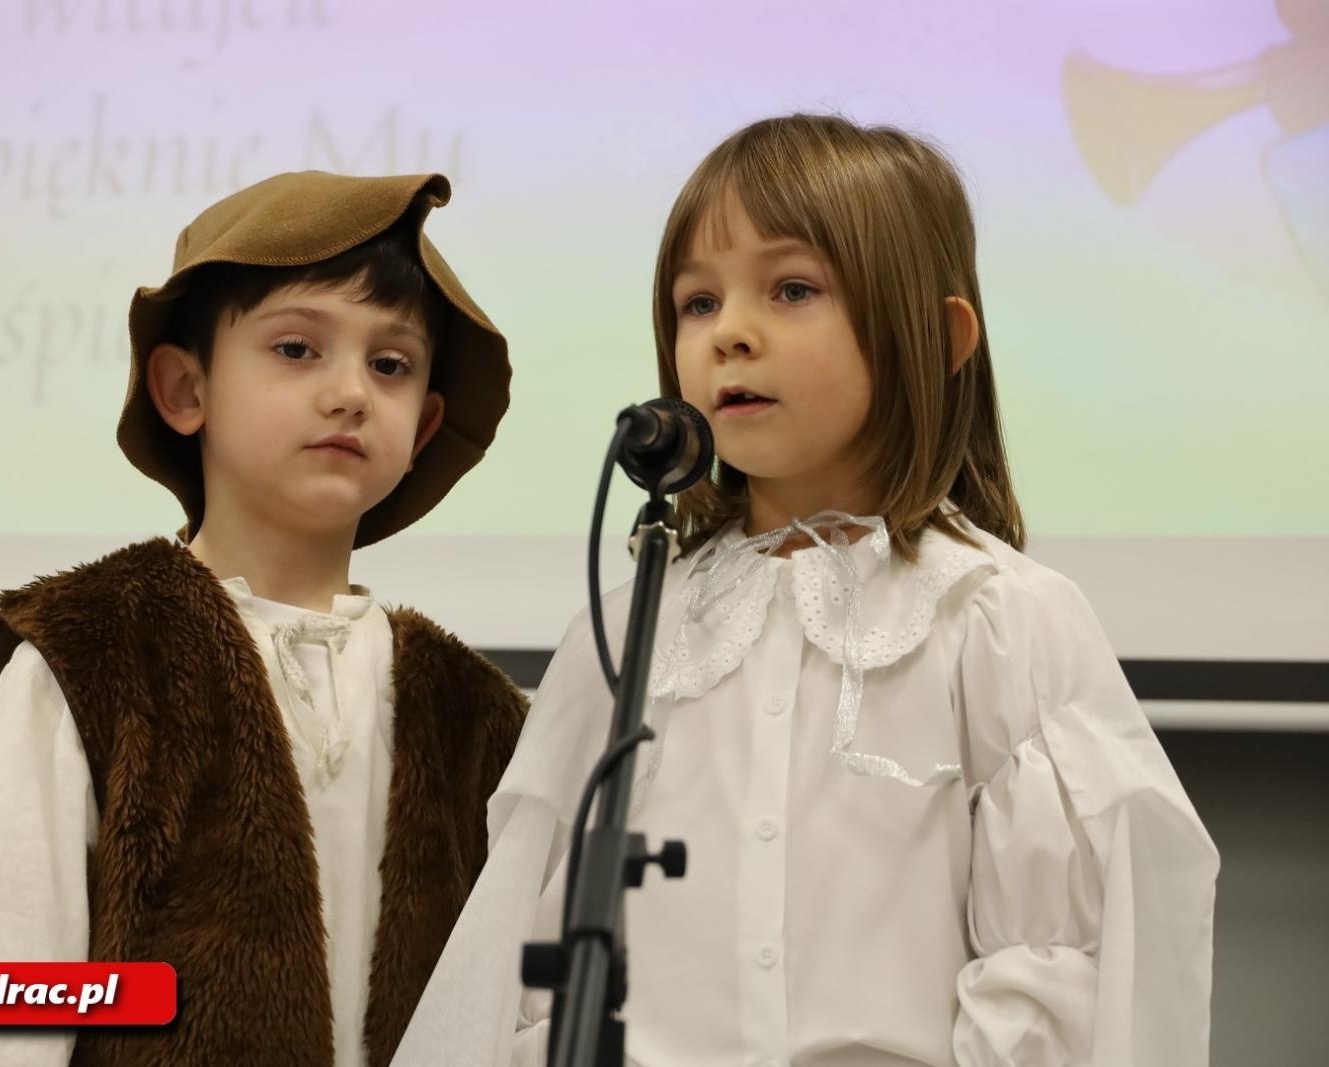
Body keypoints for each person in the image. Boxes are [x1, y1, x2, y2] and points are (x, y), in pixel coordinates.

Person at [393, 115, 1218, 1067]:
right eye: (696, 303)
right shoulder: (629, 631)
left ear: (937, 334)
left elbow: (1057, 958)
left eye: (792, 290)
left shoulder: (995, 617)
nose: (730, 334)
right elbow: (527, 956)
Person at [0, 170, 527, 1067]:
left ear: (423, 428)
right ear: (185, 389)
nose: (350, 391)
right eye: (298, 348)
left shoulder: (476, 714)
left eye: (390, 363)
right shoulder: (95, 651)